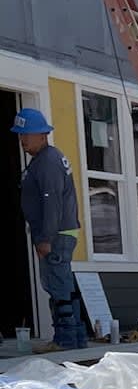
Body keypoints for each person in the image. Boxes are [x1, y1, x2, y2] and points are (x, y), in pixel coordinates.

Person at [13, 108, 89, 350]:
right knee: (63, 283)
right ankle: (76, 338)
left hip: (56, 234)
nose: (23, 140)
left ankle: (65, 341)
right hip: (60, 232)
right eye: (21, 135)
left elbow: (52, 200)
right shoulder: (46, 159)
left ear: (43, 134)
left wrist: (45, 238)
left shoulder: (47, 161)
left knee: (58, 285)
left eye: (27, 134)